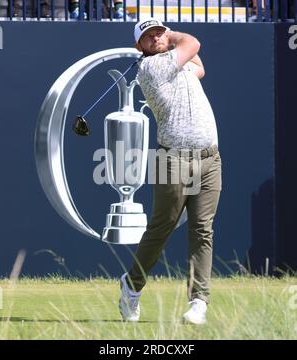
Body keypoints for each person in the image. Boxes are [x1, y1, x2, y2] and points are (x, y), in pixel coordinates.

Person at [118, 18, 222, 325]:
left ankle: (199, 301)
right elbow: (193, 45)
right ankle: (132, 285)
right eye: (147, 37)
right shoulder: (150, 69)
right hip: (173, 160)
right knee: (161, 228)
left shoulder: (177, 63)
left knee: (203, 229)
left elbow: (198, 67)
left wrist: (167, 39)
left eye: (158, 31)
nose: (155, 38)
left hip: (210, 159)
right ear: (139, 47)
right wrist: (172, 35)